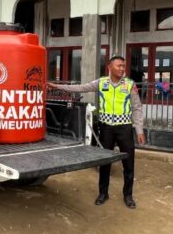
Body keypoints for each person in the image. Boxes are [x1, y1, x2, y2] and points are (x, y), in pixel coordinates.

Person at [49, 55, 144, 208]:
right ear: (110, 67)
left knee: (128, 163)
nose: (122, 69)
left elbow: (137, 108)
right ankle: (103, 193)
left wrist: (139, 130)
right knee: (104, 162)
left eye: (123, 66)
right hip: (106, 129)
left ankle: (128, 196)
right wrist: (58, 87)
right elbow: (81, 88)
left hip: (124, 128)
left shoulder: (129, 84)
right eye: (119, 66)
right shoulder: (101, 83)